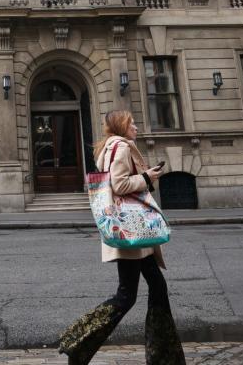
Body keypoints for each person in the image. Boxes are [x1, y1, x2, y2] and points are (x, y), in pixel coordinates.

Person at [59, 110, 185, 365]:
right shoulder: (121, 147)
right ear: (121, 127)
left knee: (157, 287)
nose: (136, 128)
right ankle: (78, 343)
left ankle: (164, 355)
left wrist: (145, 176)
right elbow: (119, 185)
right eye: (132, 124)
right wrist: (147, 177)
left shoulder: (109, 147)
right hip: (131, 231)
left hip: (136, 234)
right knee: (126, 296)